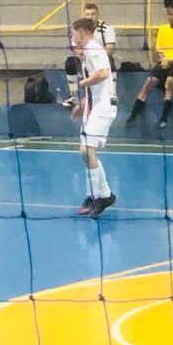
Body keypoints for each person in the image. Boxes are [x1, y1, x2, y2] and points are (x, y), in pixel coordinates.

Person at [69, 18, 118, 217]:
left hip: (104, 107)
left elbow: (104, 73)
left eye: (74, 34)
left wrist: (83, 83)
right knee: (86, 154)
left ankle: (104, 195)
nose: (73, 38)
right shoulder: (88, 52)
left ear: (82, 33)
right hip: (93, 107)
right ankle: (95, 195)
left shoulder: (94, 50)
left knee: (85, 150)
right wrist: (83, 104)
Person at [126, 6, 173, 130]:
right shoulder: (163, 29)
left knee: (169, 83)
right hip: (164, 62)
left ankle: (164, 119)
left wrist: (172, 60)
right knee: (149, 82)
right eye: (169, 14)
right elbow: (160, 50)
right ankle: (132, 117)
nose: (170, 17)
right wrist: (164, 59)